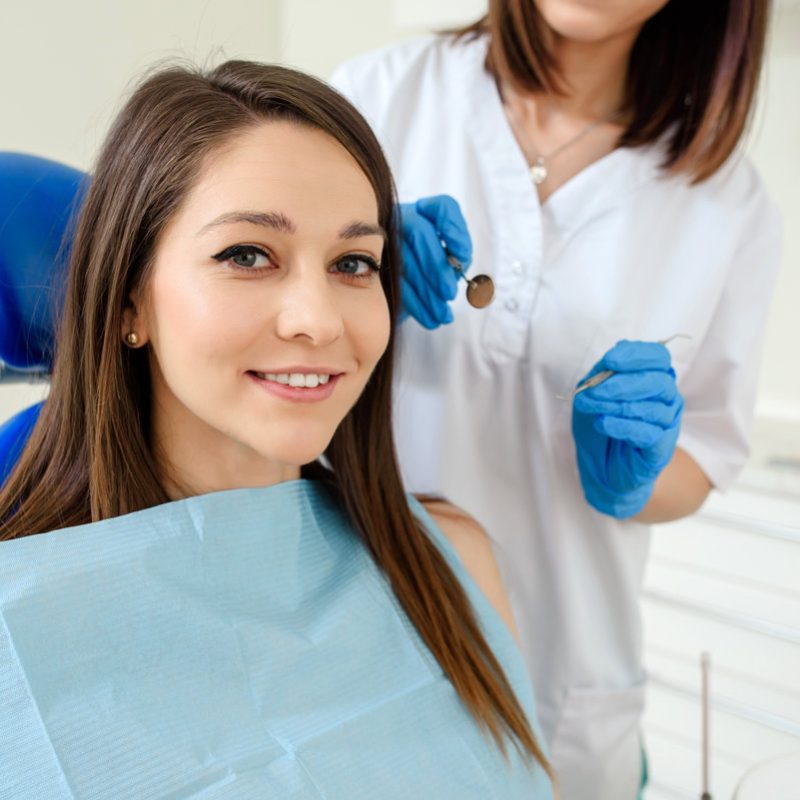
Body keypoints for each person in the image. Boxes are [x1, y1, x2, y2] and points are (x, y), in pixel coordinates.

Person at [0, 61, 554, 798]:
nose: (319, 320)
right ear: (130, 301)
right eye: (248, 255)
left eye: (353, 263)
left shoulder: (449, 560)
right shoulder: (20, 630)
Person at [330, 1, 782, 797]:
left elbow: (704, 455)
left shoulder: (727, 204)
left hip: (563, 677)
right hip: (353, 636)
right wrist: (345, 273)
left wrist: (636, 476)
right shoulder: (376, 100)